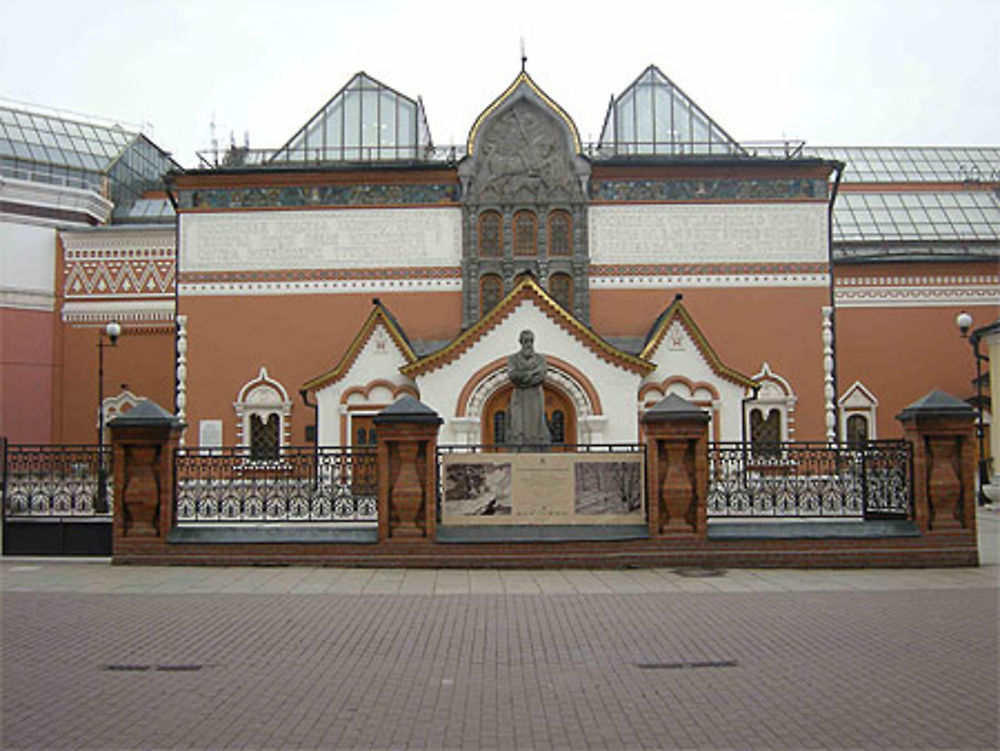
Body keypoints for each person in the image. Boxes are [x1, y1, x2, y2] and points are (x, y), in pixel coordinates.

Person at [506, 330, 551, 447]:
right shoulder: (513, 359)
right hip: (519, 395)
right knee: (517, 420)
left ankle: (538, 443)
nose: (528, 344)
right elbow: (513, 376)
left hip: (535, 394)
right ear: (521, 342)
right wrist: (531, 374)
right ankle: (517, 443)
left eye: (531, 341)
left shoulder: (541, 359)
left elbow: (541, 377)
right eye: (526, 341)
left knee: (536, 422)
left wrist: (523, 378)